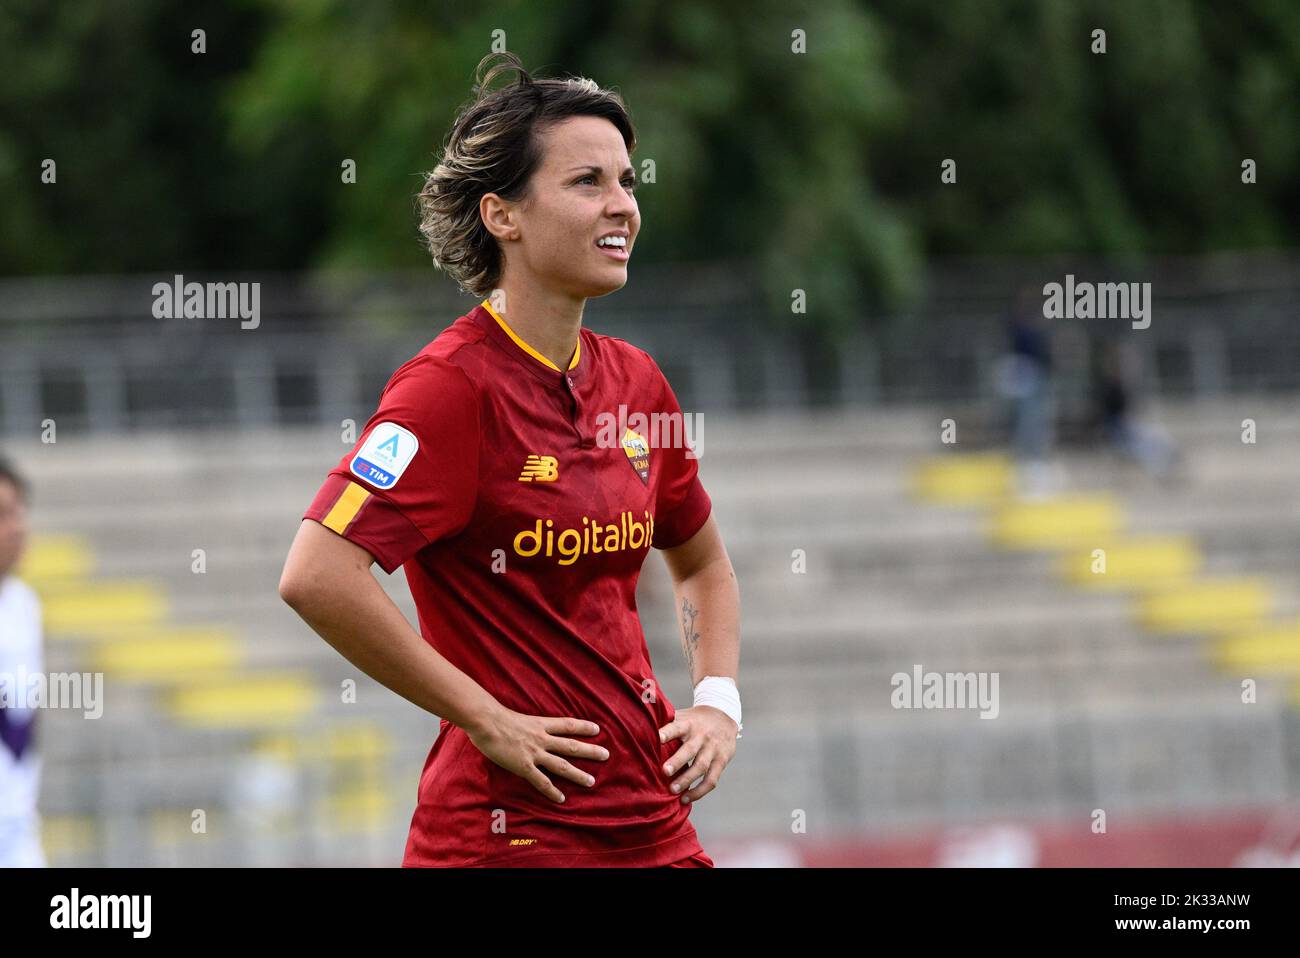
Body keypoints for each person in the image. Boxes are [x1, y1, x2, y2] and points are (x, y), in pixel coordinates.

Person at [280, 53, 742, 868]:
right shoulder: (447, 391)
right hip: (507, 837)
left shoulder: (639, 382)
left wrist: (717, 701)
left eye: (628, 182)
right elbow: (318, 573)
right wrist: (484, 716)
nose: (623, 206)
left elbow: (701, 564)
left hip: (653, 825)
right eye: (588, 182)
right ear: (502, 215)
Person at [0, 455, 46, 868]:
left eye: (18, 512)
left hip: (16, 828)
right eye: (2, 515)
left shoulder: (24, 606)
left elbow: (23, 713)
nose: (16, 527)